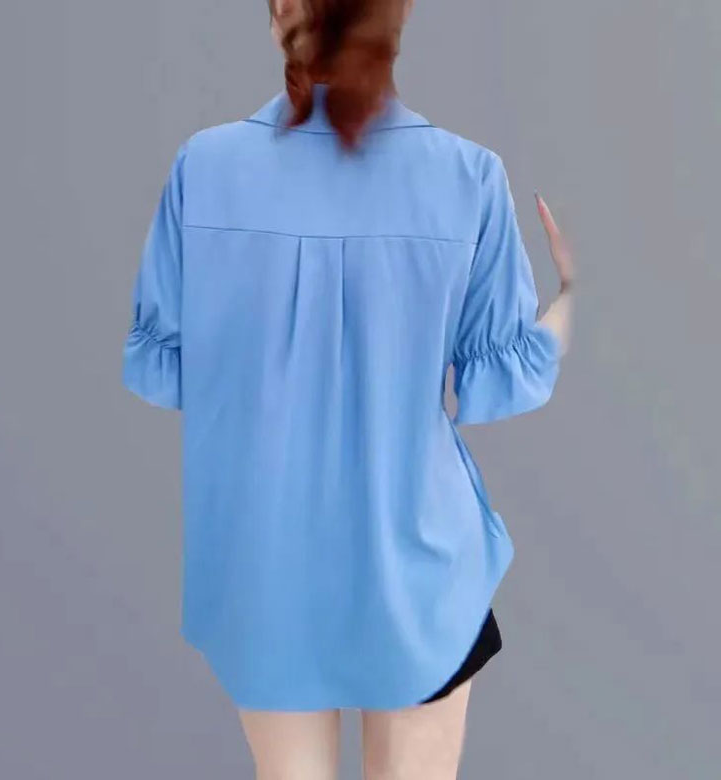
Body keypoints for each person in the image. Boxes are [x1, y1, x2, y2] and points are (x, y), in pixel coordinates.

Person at [121, 0, 574, 776]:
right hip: (420, 573)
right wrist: (572, 302)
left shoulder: (205, 166)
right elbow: (504, 382)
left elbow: (168, 370)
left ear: (279, 19)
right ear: (396, 20)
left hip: (263, 567)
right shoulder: (468, 175)